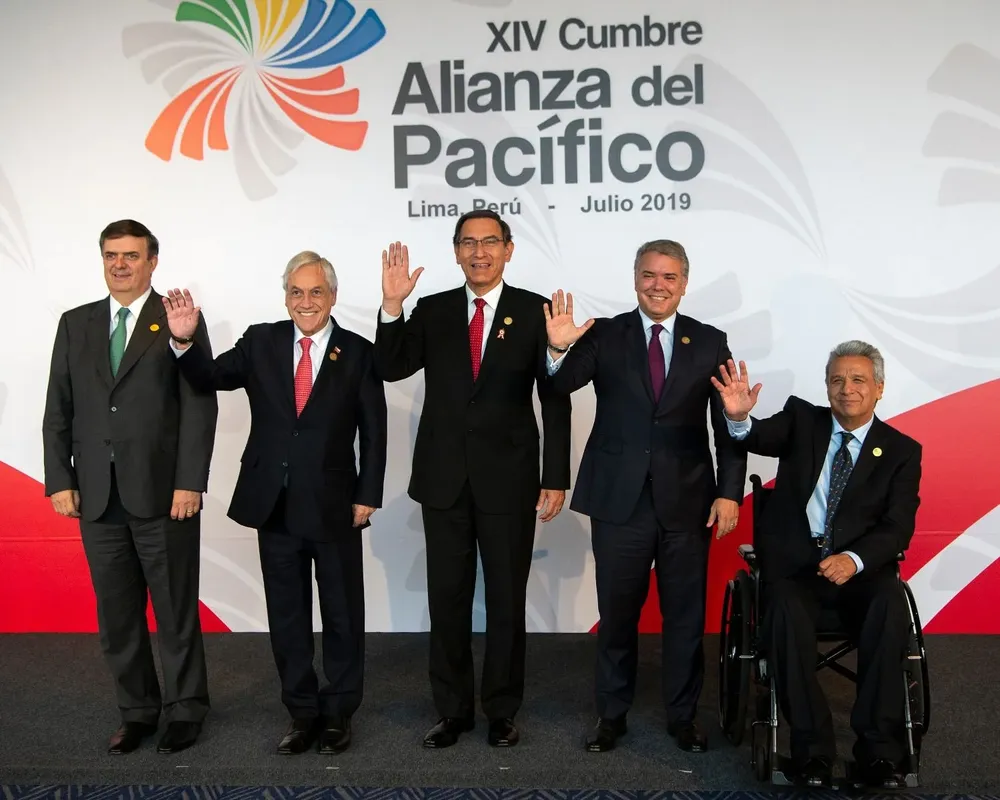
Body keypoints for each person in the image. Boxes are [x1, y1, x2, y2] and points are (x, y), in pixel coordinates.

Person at [162, 251, 386, 755]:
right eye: (296, 292)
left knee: (343, 615)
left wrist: (368, 493)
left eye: (315, 292)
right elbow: (208, 377)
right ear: (285, 296)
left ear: (332, 295)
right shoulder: (261, 340)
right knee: (287, 616)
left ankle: (338, 714)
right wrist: (183, 339)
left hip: (336, 504)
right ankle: (302, 713)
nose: (305, 302)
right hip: (274, 505)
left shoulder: (358, 351)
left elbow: (374, 430)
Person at [374, 209, 571, 749]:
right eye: (468, 243)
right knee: (448, 598)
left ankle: (503, 710)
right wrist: (392, 307)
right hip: (444, 480)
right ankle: (452, 711)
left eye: (490, 242)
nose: (479, 252)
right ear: (455, 251)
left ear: (509, 249)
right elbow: (391, 367)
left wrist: (555, 475)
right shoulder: (433, 310)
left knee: (507, 600)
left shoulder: (537, 312)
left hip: (510, 480)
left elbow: (555, 400)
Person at [544, 239, 746, 754]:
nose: (659, 285)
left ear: (684, 282)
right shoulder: (606, 333)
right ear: (635, 278)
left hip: (688, 501)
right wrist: (558, 348)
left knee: (684, 617)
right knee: (618, 614)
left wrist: (729, 493)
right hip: (620, 502)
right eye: (650, 275)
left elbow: (729, 422)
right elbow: (561, 384)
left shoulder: (708, 341)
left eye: (670, 277)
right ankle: (611, 716)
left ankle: (683, 718)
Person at [42, 219, 218, 755]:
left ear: (152, 261)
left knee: (174, 610)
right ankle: (138, 712)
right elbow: (58, 408)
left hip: (165, 495)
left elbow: (199, 401)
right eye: (111, 255)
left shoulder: (178, 318)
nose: (121, 264)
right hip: (97, 495)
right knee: (117, 616)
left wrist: (190, 481)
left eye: (132, 255)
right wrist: (59, 478)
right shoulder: (76, 323)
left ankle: (185, 710)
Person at [712, 341, 922, 790]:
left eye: (858, 380)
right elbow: (755, 436)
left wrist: (854, 559)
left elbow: (897, 526)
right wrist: (737, 416)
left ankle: (880, 754)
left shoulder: (902, 451)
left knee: (890, 604)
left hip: (861, 574)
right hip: (799, 570)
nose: (847, 389)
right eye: (837, 380)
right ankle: (812, 752)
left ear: (879, 388)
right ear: (827, 386)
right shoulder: (803, 422)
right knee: (783, 608)